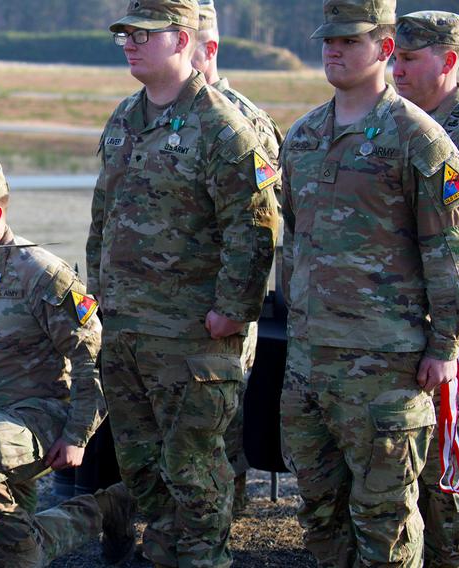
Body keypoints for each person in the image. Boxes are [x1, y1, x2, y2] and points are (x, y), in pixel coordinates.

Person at [87, 0, 279, 565]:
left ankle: (201, 554)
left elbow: (254, 224)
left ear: (180, 39)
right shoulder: (125, 117)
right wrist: (100, 293)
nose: (129, 43)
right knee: (141, 458)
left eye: (143, 34)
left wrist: (234, 309)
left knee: (193, 462)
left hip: (192, 332)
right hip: (126, 325)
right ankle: (169, 542)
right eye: (124, 34)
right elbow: (105, 213)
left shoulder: (220, 124)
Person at [279, 1, 459, 565]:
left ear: (384, 50)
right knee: (319, 510)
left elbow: (449, 253)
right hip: (310, 361)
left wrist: (444, 345)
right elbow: (293, 237)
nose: (334, 51)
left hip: (388, 362)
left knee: (384, 520)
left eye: (350, 42)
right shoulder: (305, 136)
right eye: (328, 42)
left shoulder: (421, 141)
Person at [0, 159, 134, 568]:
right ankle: (107, 509)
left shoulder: (40, 274)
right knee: (15, 560)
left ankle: (31, 543)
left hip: (40, 418)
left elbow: (92, 355)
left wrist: (78, 434)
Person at [190, 0, 285, 513]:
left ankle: (225, 515)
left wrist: (235, 306)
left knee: (221, 416)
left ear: (209, 48)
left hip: (219, 305)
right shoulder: (153, 112)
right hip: (161, 303)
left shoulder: (244, 121)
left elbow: (258, 223)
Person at [392, 10, 459, 566]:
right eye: (393, 56)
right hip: (399, 322)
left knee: (449, 465)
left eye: (410, 59)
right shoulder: (391, 125)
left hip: (453, 327)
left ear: (449, 61)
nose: (396, 69)